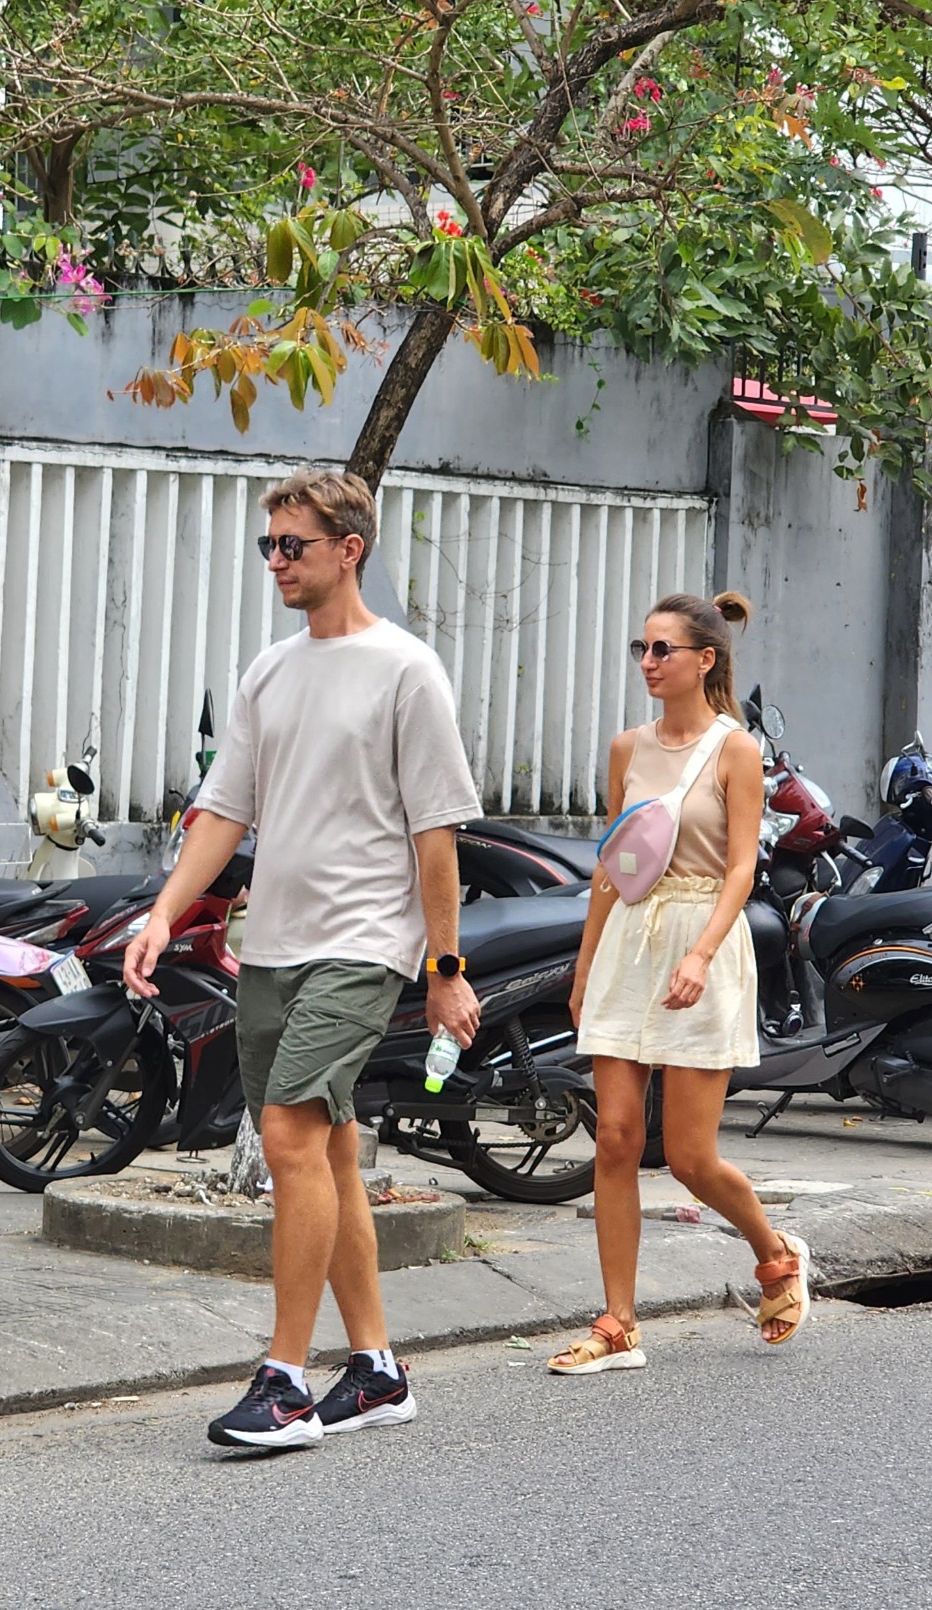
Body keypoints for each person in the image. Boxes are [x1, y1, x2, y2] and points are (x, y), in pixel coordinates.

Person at [125, 468, 482, 1450]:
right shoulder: (268, 671)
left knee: (285, 1134)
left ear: (348, 548)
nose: (276, 560)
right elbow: (223, 810)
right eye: (268, 546)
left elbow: (435, 834)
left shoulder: (407, 668)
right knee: (325, 1147)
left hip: (366, 940)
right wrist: (163, 912)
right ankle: (373, 1367)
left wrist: (443, 963)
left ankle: (284, 1378)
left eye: (294, 544)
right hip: (273, 942)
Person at [547, 591, 809, 1374]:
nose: (649, 663)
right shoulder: (627, 748)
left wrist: (699, 954)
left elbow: (739, 866)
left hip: (704, 940)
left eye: (663, 650)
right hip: (629, 942)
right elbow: (614, 862)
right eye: (643, 649)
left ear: (706, 659)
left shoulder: (736, 750)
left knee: (691, 1158)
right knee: (618, 1140)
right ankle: (618, 1324)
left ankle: (776, 1255)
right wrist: (586, 963)